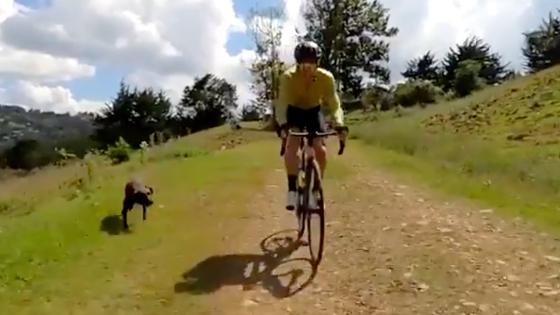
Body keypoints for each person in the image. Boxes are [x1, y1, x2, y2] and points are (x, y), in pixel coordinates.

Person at [275, 40, 348, 211]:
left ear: (318, 63)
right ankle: (292, 189)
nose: (307, 69)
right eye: (303, 65)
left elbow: (335, 104)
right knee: (292, 144)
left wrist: (339, 124)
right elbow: (282, 104)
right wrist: (283, 124)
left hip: (314, 112)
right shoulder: (288, 77)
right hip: (294, 111)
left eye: (311, 65)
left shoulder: (326, 78)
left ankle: (316, 189)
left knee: (320, 150)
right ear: (297, 64)